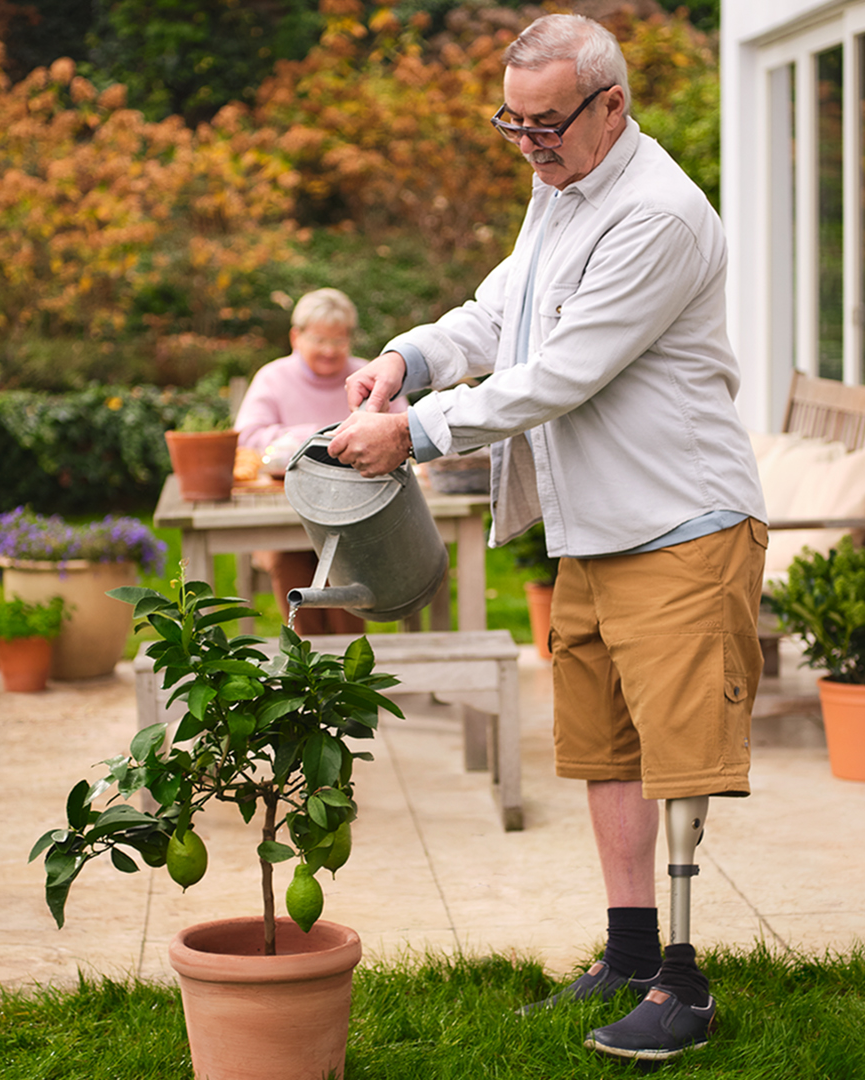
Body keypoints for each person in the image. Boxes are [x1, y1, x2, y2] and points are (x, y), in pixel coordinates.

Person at [328, 13, 768, 1062]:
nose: (527, 143)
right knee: (607, 754)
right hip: (594, 531)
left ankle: (686, 983)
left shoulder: (657, 214)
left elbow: (562, 370)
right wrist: (409, 362)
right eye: (512, 125)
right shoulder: (561, 188)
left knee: (679, 758)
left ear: (611, 105)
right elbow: (501, 313)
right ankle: (628, 956)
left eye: (546, 124)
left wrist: (417, 436)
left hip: (679, 525)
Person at [234, 287, 404, 635]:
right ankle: (308, 664)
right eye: (320, 340)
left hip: (356, 519)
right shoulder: (273, 377)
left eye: (339, 341)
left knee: (349, 562)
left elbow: (403, 428)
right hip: (284, 519)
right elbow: (247, 438)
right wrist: (317, 437)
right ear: (296, 337)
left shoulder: (369, 377)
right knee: (292, 558)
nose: (330, 351)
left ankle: (348, 665)